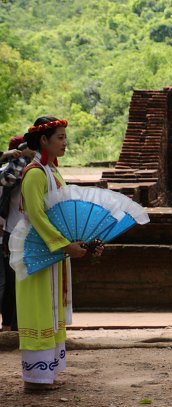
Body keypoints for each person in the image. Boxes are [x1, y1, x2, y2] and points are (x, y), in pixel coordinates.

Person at [14, 117, 101, 392]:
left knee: (51, 307)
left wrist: (83, 242)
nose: (65, 142)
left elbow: (61, 215)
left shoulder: (52, 171)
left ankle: (46, 372)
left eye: (65, 137)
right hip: (36, 251)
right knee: (38, 309)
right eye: (60, 137)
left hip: (51, 249)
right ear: (44, 140)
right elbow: (37, 216)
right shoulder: (35, 173)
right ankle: (36, 377)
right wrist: (64, 246)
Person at [0, 136, 33, 331]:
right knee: (10, 284)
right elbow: (7, 178)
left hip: (16, 231)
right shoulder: (17, 169)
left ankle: (15, 324)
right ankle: (11, 325)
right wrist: (16, 158)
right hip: (12, 232)